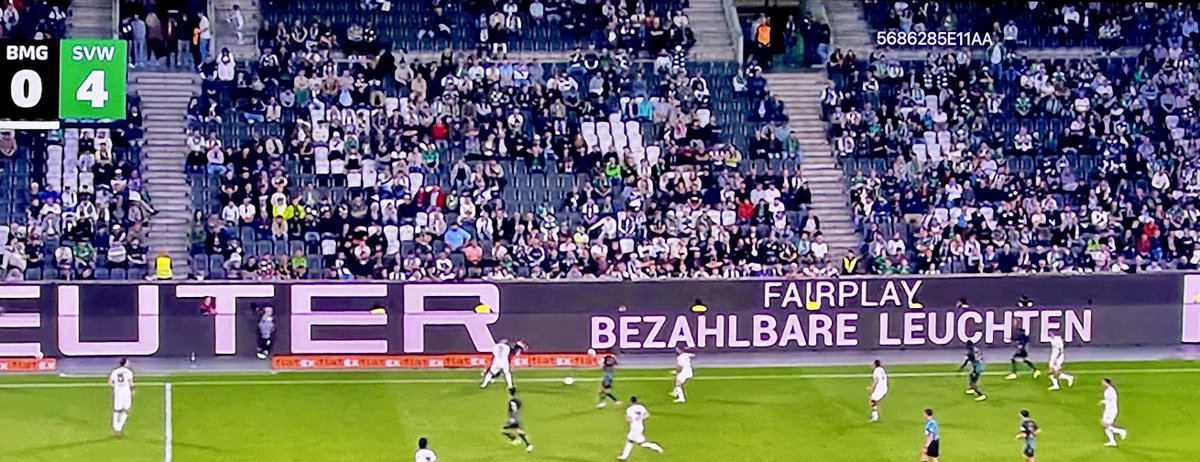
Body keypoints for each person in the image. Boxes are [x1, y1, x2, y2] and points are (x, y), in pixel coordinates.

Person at [108, 358, 134, 437]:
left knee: (116, 410)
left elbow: (110, 383)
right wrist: (132, 390)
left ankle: (115, 428)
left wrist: (116, 387)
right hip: (126, 393)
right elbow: (130, 383)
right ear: (125, 363)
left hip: (118, 393)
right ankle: (119, 429)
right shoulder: (129, 372)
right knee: (125, 410)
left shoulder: (115, 371)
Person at [502, 387, 533, 452]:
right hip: (517, 416)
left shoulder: (512, 401)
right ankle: (518, 439)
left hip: (513, 417)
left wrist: (512, 418)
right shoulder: (517, 400)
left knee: (512, 429)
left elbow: (514, 410)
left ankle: (528, 444)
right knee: (516, 429)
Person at [1100, 378, 1128, 446]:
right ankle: (1112, 441)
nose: (1102, 383)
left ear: (1107, 383)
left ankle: (1121, 432)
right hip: (1107, 410)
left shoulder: (1110, 391)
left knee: (1105, 425)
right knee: (1104, 425)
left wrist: (1103, 402)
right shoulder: (1108, 390)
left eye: (1103, 382)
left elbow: (1110, 402)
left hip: (1111, 411)